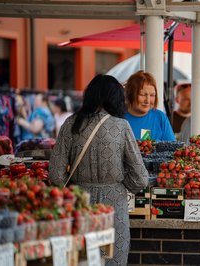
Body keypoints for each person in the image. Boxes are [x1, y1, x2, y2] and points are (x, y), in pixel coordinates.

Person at [49, 75, 149, 266]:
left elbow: (55, 175)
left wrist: (74, 188)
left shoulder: (71, 123)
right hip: (114, 206)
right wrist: (119, 184)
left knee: (82, 260)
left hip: (79, 205)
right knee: (111, 259)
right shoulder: (121, 126)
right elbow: (141, 179)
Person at [124, 70, 175, 141]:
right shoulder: (119, 118)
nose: (147, 100)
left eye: (152, 95)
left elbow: (172, 147)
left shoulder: (160, 117)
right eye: (142, 94)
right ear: (130, 94)